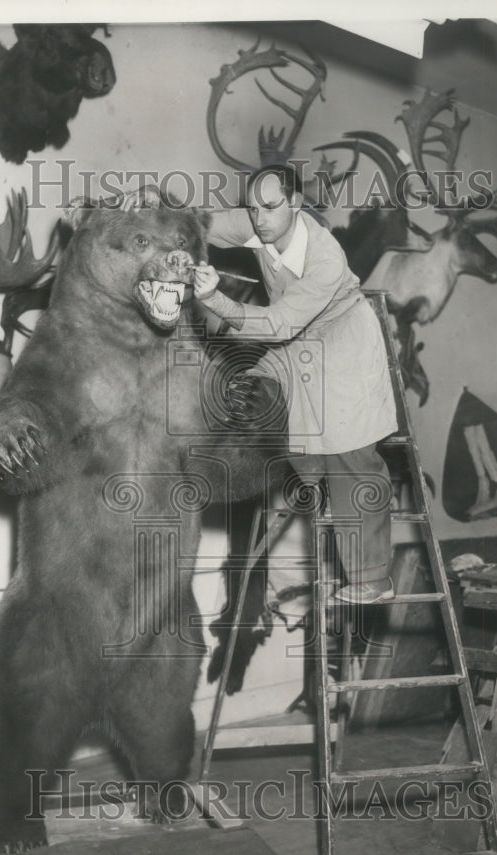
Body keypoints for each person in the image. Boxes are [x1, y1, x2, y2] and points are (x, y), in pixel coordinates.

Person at [188, 165, 399, 604]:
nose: (258, 217)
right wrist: (160, 223)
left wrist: (214, 299)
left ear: (296, 204)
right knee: (248, 391)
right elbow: (201, 223)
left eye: (269, 207)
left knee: (352, 455)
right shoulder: (257, 223)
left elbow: (279, 324)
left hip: (343, 344)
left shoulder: (325, 258)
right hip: (296, 341)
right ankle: (294, 469)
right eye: (252, 207)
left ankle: (373, 578)